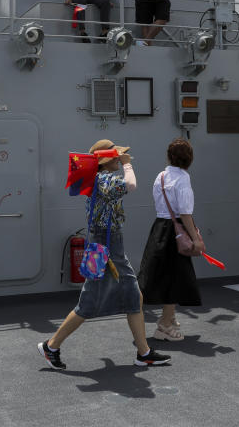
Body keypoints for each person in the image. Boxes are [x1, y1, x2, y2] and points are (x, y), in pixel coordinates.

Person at [37, 139, 170, 369]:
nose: (120, 158)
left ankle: (143, 352)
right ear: (106, 160)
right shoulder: (104, 179)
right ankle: (51, 346)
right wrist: (128, 165)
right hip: (104, 245)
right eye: (117, 156)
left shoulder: (98, 179)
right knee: (88, 305)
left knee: (133, 297)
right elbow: (131, 185)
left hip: (108, 244)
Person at [138, 138, 204, 341]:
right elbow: (185, 212)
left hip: (160, 228)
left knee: (164, 275)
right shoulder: (183, 178)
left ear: (169, 156)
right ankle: (164, 325)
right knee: (176, 277)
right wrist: (196, 239)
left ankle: (170, 318)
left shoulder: (161, 176)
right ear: (189, 159)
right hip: (176, 230)